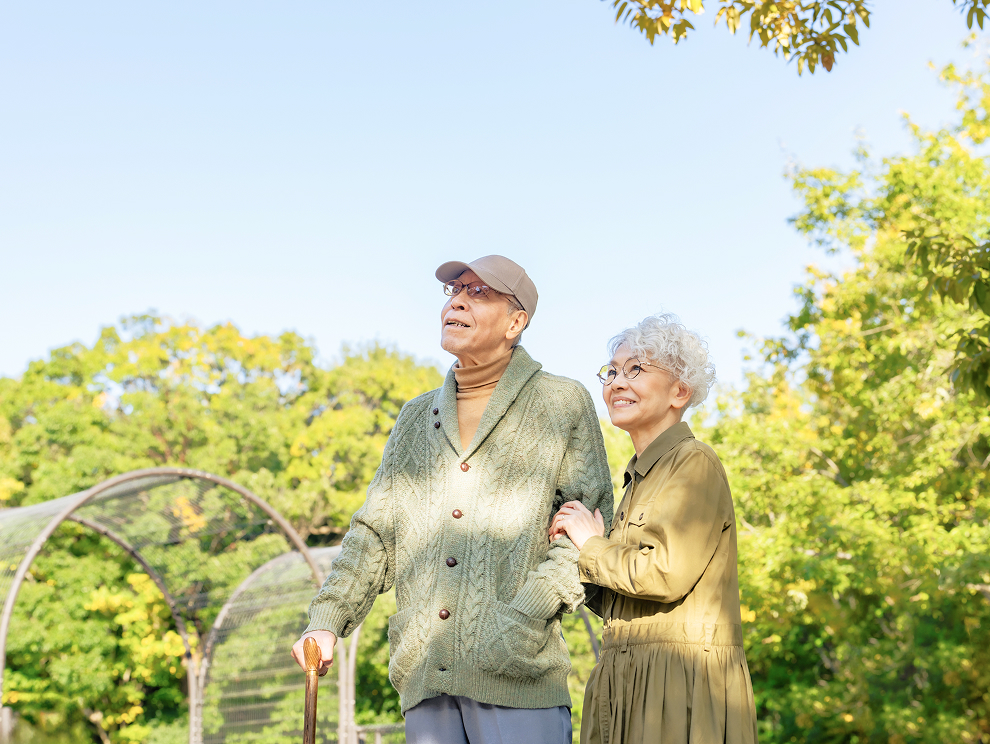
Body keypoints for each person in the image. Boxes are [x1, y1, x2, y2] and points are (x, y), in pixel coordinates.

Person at [291, 255, 613, 744]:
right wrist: (326, 621)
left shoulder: (561, 402)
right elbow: (375, 535)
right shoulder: (416, 417)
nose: (458, 301)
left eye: (479, 292)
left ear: (516, 321)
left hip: (520, 675)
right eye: (454, 291)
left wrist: (523, 618)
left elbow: (587, 526)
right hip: (426, 680)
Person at [551, 313, 758, 744]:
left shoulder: (694, 462)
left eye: (636, 370)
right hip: (623, 683)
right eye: (612, 371)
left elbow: (663, 573)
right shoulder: (637, 481)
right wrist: (570, 547)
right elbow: (624, 599)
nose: (616, 382)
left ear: (680, 391)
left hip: (679, 690)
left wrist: (592, 544)